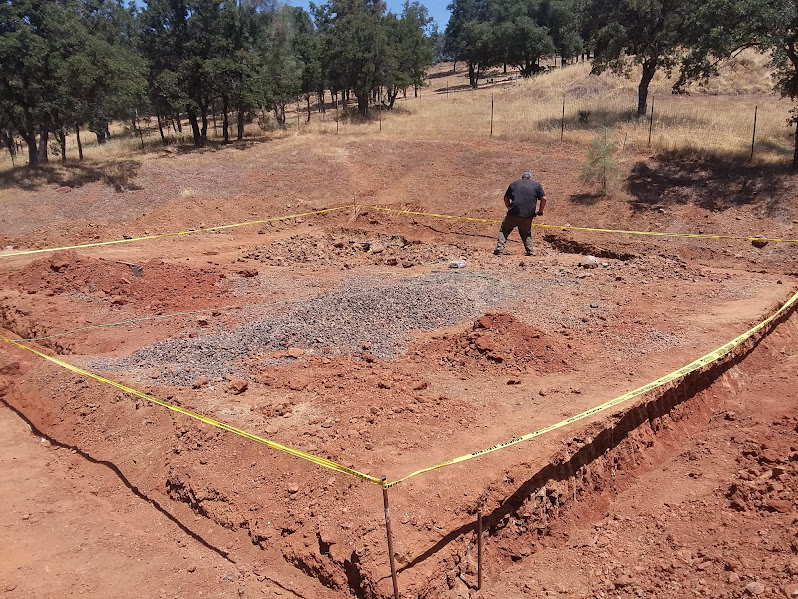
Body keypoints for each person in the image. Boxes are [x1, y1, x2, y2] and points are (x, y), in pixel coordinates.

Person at [494, 171, 547, 256]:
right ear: (530, 178)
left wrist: (509, 208)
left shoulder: (514, 184)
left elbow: (506, 198)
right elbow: (544, 199)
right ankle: (530, 251)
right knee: (526, 233)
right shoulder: (536, 185)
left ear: (522, 178)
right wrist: (540, 211)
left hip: (513, 212)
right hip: (528, 214)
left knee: (504, 230)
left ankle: (499, 249)